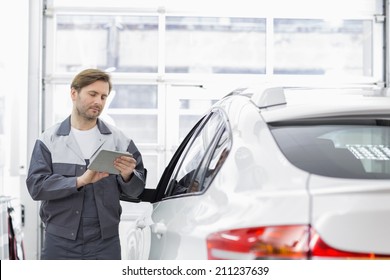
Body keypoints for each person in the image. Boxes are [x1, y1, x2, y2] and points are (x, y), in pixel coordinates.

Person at [26, 68, 146, 260]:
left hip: (105, 242)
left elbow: (136, 190)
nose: (98, 101)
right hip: (60, 241)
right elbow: (36, 187)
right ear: (74, 93)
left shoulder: (120, 141)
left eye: (103, 97)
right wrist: (79, 181)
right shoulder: (49, 140)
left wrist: (128, 176)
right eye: (93, 94)